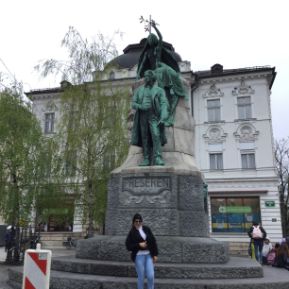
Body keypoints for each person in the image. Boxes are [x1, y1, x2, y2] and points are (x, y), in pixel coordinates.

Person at [137, 20, 187, 125]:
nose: (150, 41)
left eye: (151, 39)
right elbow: (142, 64)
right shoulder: (147, 53)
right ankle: (166, 90)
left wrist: (154, 27)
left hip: (161, 68)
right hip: (154, 71)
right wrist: (138, 75)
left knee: (169, 73)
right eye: (149, 39)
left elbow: (161, 38)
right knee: (160, 73)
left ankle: (173, 89)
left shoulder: (158, 48)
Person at [131, 70, 169, 166]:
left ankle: (158, 157)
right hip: (142, 116)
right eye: (145, 76)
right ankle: (146, 158)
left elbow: (164, 103)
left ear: (152, 78)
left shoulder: (159, 90)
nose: (145, 78)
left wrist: (163, 116)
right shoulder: (139, 90)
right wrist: (141, 106)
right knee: (144, 137)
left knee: (156, 135)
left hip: (154, 116)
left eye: (147, 76)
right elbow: (133, 103)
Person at [125, 213, 158, 289]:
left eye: (140, 221)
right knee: (141, 276)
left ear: (142, 222)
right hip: (138, 256)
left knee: (150, 275)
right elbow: (128, 246)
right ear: (133, 222)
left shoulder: (147, 229)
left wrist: (155, 254)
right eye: (136, 221)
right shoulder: (132, 233)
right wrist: (139, 245)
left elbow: (153, 241)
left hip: (148, 255)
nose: (138, 223)